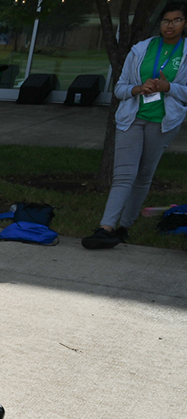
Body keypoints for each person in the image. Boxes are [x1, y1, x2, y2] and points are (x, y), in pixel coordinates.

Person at [84, 2, 186, 249]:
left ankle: (123, 228)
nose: (170, 25)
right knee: (123, 176)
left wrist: (168, 87)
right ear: (158, 23)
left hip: (162, 123)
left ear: (185, 23)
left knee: (143, 177)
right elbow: (119, 88)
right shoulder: (141, 49)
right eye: (165, 21)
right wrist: (137, 88)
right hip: (132, 118)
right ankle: (105, 227)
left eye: (176, 20)